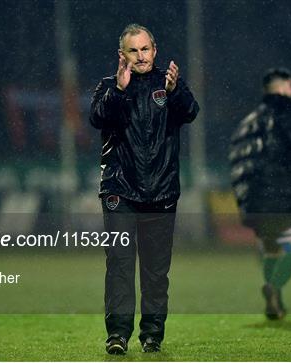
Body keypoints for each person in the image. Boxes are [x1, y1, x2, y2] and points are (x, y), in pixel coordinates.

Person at [89, 24, 199, 354]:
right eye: (133, 50)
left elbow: (191, 112)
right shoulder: (109, 86)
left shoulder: (169, 84)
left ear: (155, 49)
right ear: (121, 55)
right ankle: (117, 335)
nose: (141, 56)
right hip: (119, 191)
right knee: (120, 265)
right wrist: (120, 91)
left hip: (162, 193)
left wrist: (176, 89)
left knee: (155, 271)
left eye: (145, 49)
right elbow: (97, 118)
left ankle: (152, 334)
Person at [229, 68, 291, 320]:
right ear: (283, 87)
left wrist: (245, 198)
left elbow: (236, 160)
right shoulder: (289, 111)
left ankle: (275, 300)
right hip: (283, 193)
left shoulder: (248, 121)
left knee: (271, 249)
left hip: (255, 199)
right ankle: (274, 287)